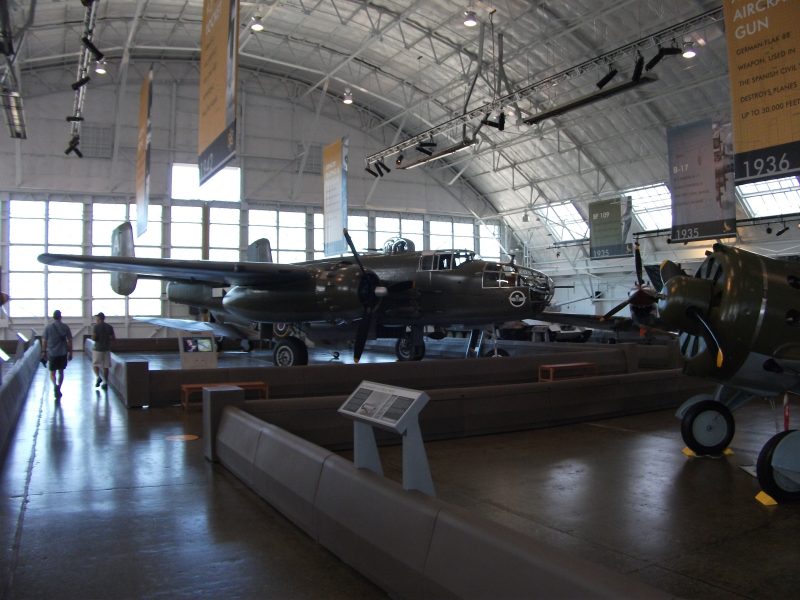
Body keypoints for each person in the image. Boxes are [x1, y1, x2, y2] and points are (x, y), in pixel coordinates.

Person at [42, 309, 73, 400]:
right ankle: (59, 387)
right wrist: (70, 352)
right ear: (60, 317)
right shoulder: (65, 327)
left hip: (52, 354)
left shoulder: (48, 328)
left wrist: (43, 352)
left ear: (53, 317)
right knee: (61, 372)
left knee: (52, 373)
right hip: (62, 353)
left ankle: (55, 385)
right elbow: (70, 341)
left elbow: (44, 341)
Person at [92, 312, 115, 391]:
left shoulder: (96, 327)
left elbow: (94, 338)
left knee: (95, 364)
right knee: (106, 366)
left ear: (99, 318)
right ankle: (105, 383)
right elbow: (113, 338)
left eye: (97, 318)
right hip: (107, 349)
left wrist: (95, 337)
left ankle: (98, 377)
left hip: (98, 348)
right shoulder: (109, 327)